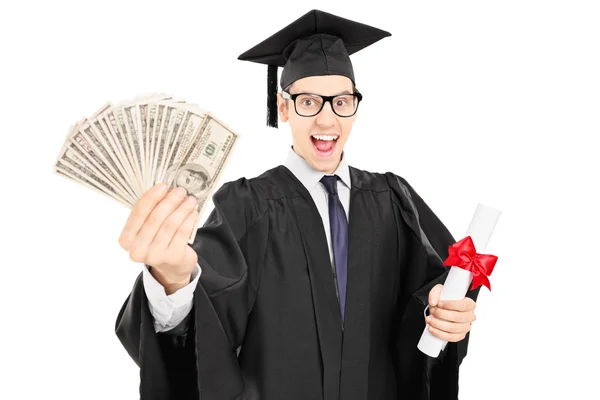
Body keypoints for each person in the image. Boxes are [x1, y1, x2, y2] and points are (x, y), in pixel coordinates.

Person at [115, 9, 479, 400]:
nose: (326, 119)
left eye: (341, 101)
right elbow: (203, 327)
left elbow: (441, 286)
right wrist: (171, 279)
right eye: (308, 101)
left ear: (356, 107)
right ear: (284, 107)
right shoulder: (249, 206)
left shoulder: (392, 199)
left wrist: (443, 316)